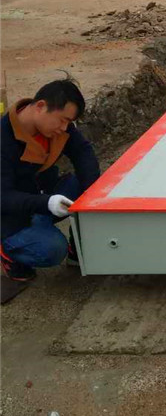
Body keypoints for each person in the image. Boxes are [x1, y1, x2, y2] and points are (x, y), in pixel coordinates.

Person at [1, 78, 99, 282]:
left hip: (43, 196)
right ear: (40, 106)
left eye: (68, 122)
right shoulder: (4, 139)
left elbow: (82, 150)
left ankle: (79, 248)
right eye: (62, 120)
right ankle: (8, 252)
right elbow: (3, 197)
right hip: (11, 215)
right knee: (52, 250)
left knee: (89, 184)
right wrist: (46, 203)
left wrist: (92, 194)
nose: (65, 128)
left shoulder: (54, 127)